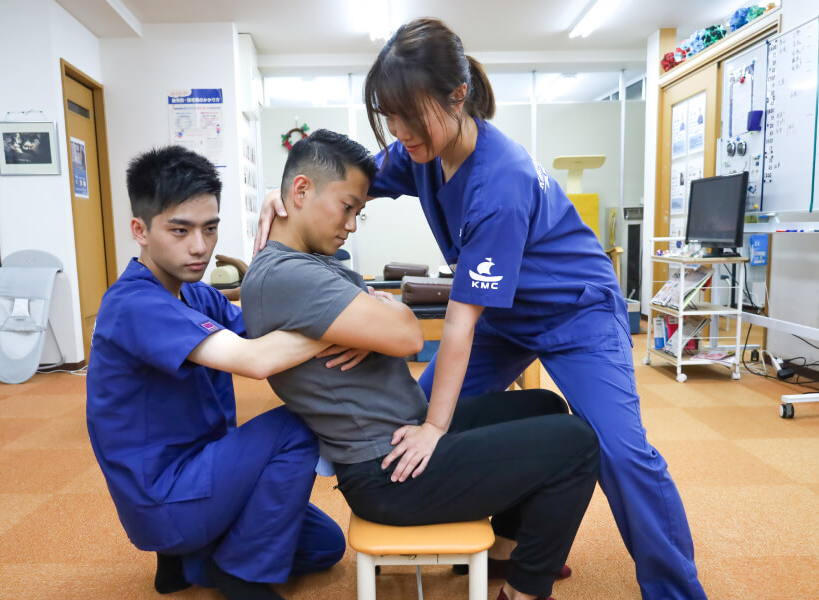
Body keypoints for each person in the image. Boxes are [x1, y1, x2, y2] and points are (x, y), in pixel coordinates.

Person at [256, 18, 707, 600]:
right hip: (504, 315)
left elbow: (460, 324)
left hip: (576, 313)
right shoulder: (420, 151)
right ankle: (509, 544)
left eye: (407, 115)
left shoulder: (501, 181)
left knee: (618, 451)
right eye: (388, 115)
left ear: (457, 96)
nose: (398, 131)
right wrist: (282, 190)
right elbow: (349, 180)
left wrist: (437, 428)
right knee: (412, 417)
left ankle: (675, 589)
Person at [242, 129, 600, 600]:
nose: (351, 225)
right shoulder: (287, 274)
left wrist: (380, 315)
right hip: (387, 472)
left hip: (401, 435)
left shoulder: (309, 260)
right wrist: (382, 316)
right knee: (577, 443)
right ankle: (523, 591)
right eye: (348, 207)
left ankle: (503, 553)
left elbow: (392, 324)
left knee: (544, 408)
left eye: (359, 212)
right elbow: (409, 335)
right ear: (302, 191)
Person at [86, 145, 348, 600]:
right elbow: (257, 359)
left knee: (326, 545)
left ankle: (186, 560)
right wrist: (345, 327)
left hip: (202, 472)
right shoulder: (133, 304)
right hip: (165, 498)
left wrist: (286, 230)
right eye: (180, 230)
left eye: (210, 229)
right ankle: (240, 574)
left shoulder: (196, 295)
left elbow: (267, 324)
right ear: (140, 230)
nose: (200, 247)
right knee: (295, 427)